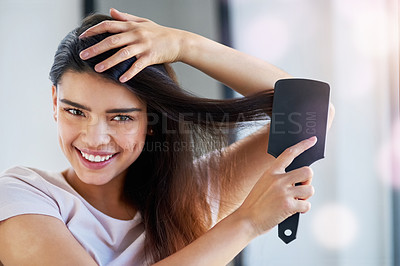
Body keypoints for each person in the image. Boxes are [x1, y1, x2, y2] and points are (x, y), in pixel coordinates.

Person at [0, 8, 334, 266]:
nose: (95, 138)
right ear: (55, 103)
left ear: (151, 121)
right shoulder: (21, 195)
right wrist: (246, 223)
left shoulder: (189, 195)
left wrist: (184, 45)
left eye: (121, 117)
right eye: (76, 111)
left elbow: (312, 111)